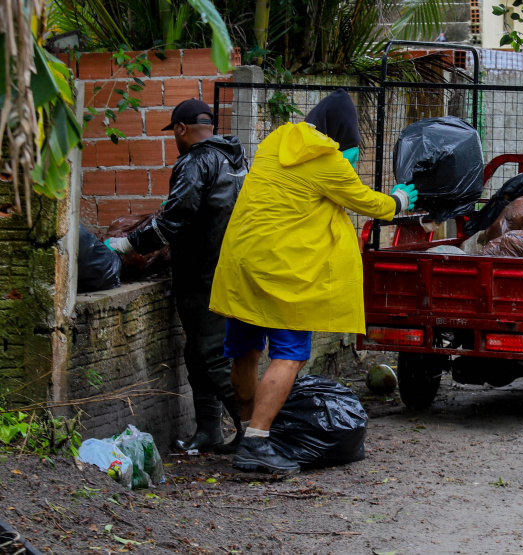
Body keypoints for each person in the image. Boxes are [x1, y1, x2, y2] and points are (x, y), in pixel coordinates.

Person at [209, 89, 417, 474]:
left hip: (241, 261)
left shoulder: (276, 140)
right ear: (340, 136)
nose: (351, 156)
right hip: (283, 272)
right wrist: (401, 199)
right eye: (351, 147)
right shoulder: (326, 160)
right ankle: (257, 443)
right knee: (290, 352)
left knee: (244, 349)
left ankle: (243, 431)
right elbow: (368, 203)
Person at [105, 98, 248, 453]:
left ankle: (255, 434)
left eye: (174, 133)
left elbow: (177, 216)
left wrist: (128, 245)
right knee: (198, 354)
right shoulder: (235, 159)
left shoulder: (196, 161)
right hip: (227, 268)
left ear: (181, 129)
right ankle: (209, 431)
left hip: (203, 273)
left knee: (211, 355)